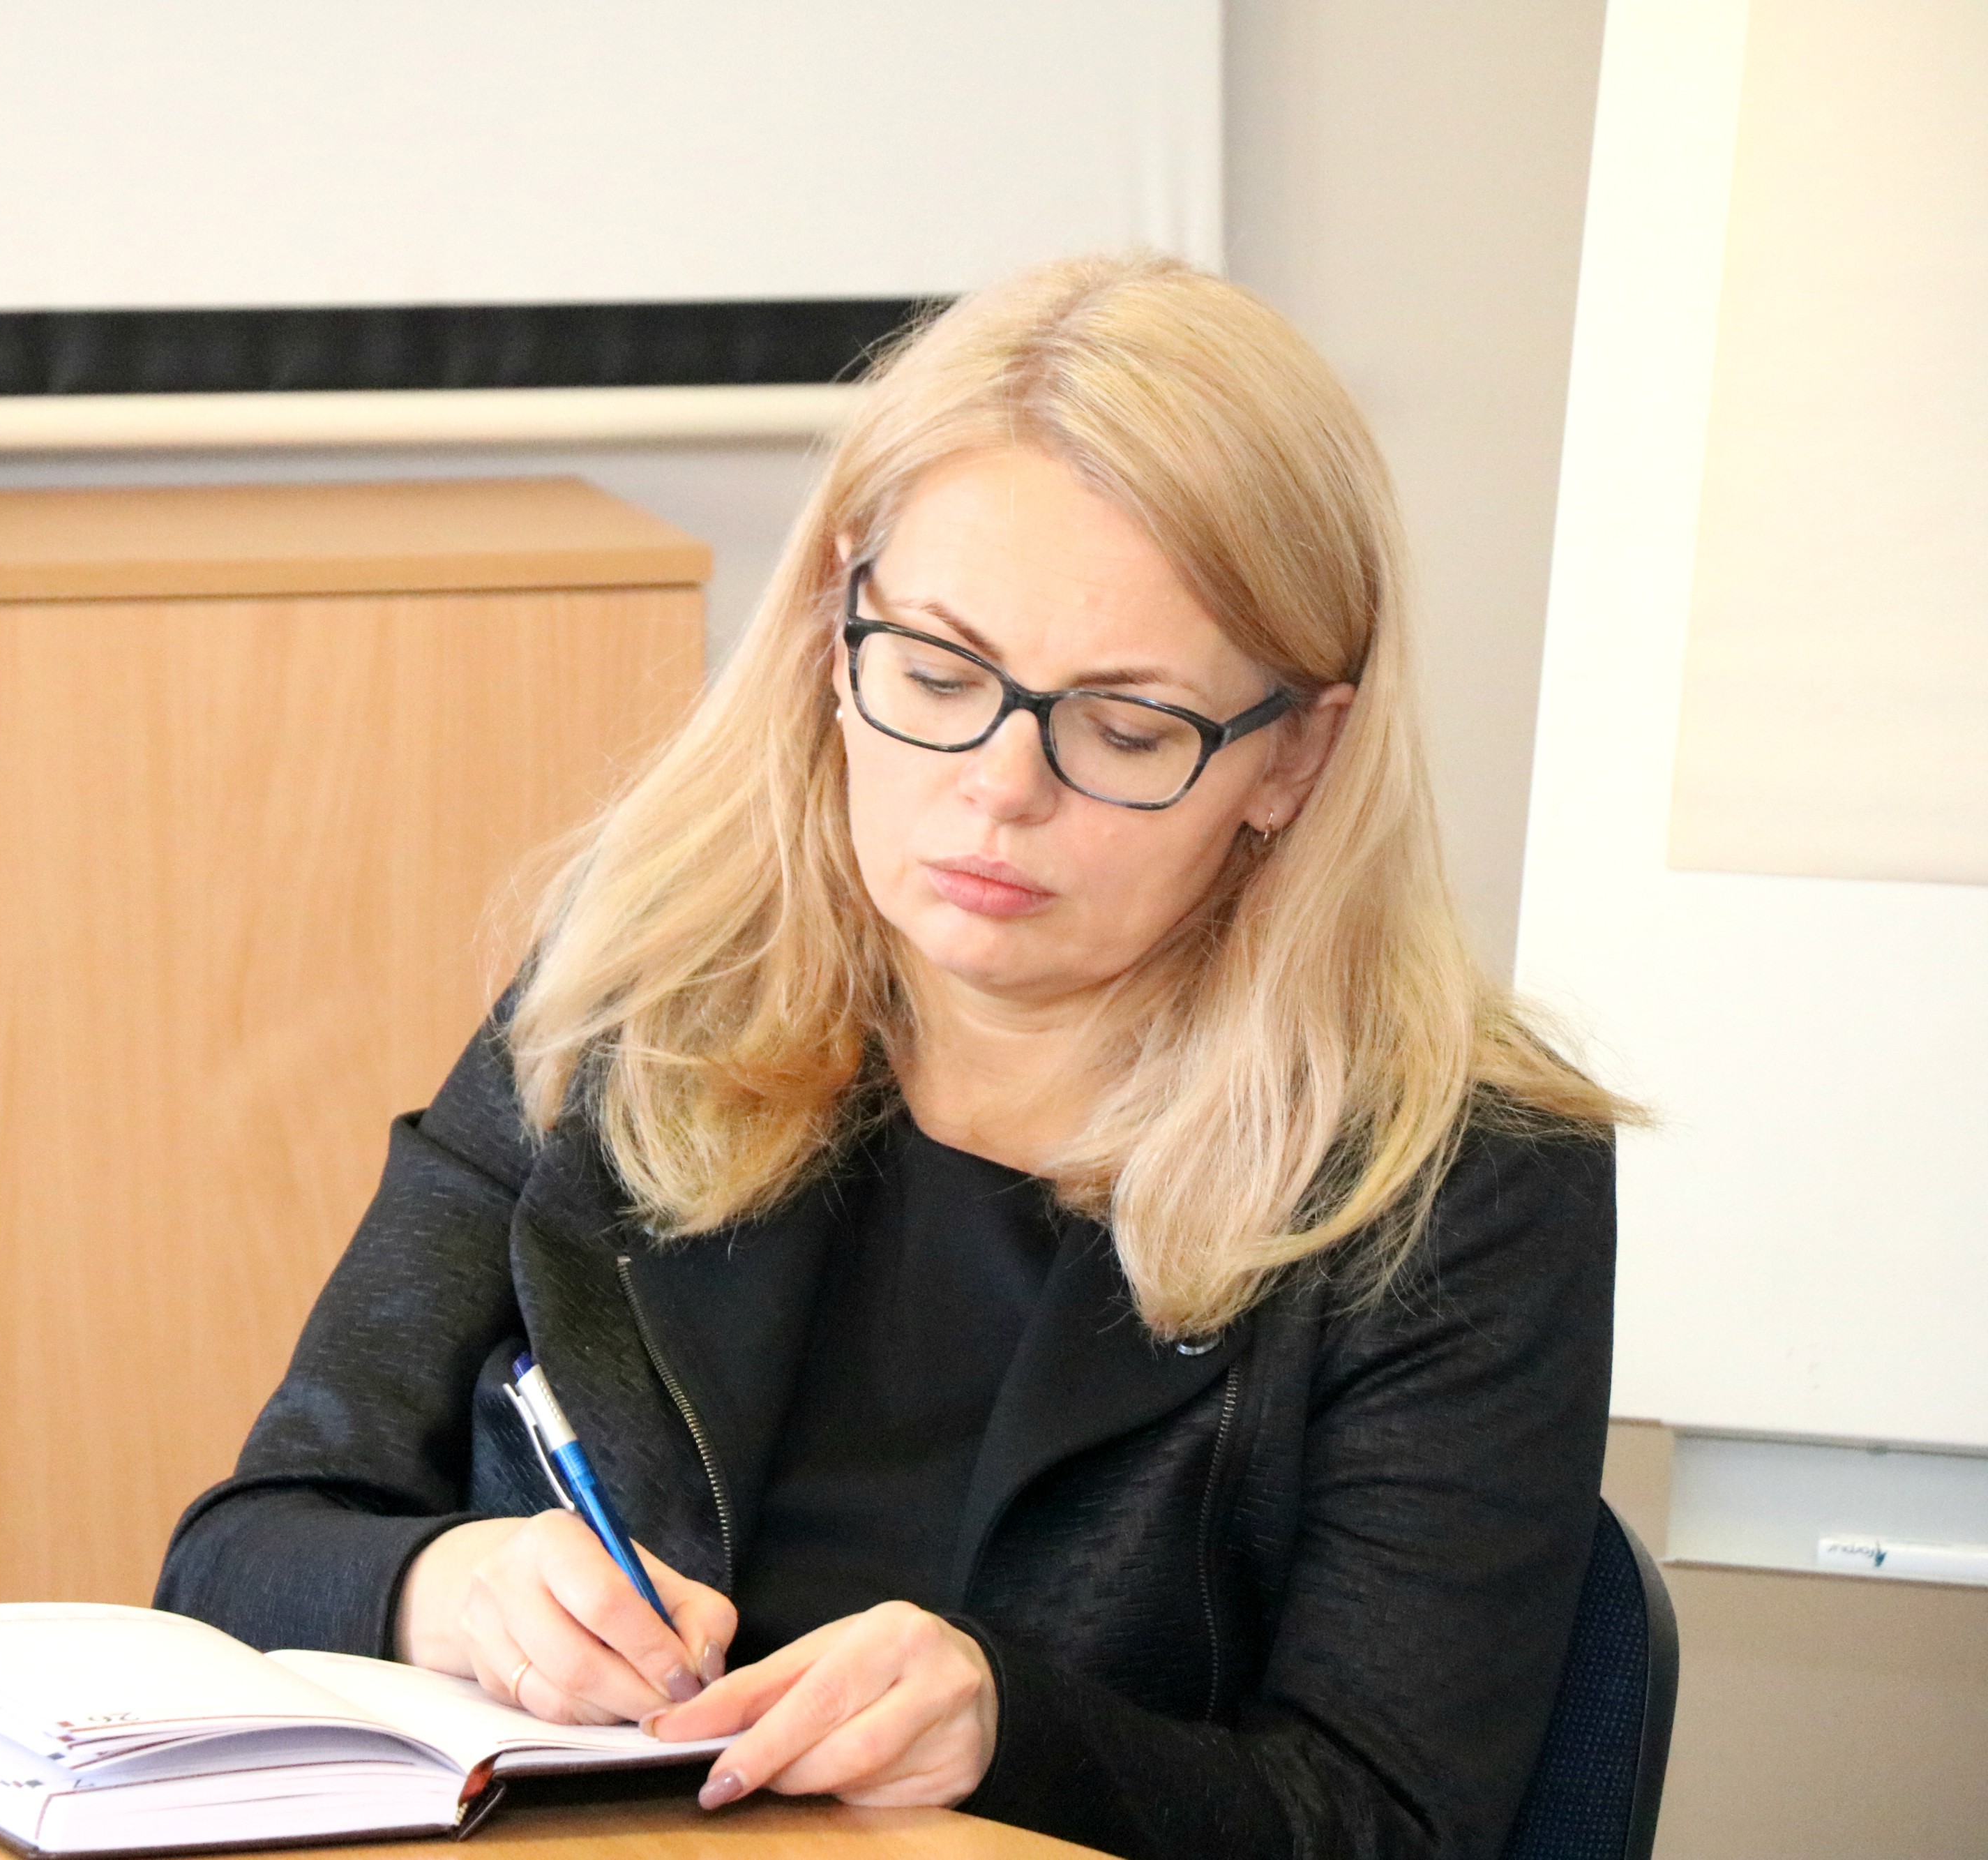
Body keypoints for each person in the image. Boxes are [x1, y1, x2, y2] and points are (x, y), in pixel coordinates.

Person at [154, 253, 1627, 1860]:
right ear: (829, 631)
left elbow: (1391, 1822)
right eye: (935, 673)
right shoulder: (624, 1007)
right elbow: (241, 1552)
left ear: (1293, 757)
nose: (999, 786)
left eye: (1125, 728)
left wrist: (1014, 1733)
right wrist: (448, 1587)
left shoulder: (1460, 1184)